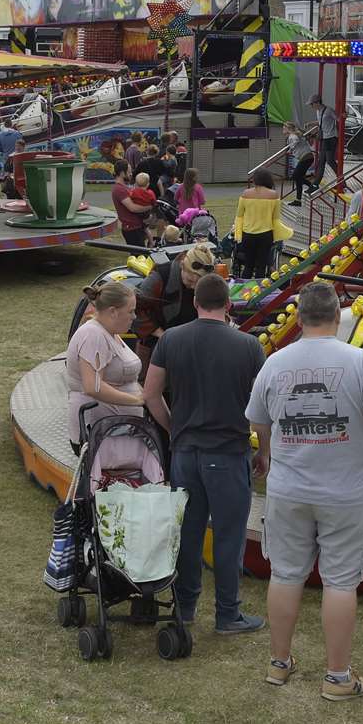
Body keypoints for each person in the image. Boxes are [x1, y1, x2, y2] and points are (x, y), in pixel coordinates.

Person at [246, 281, 363, 700]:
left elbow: (258, 421)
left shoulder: (275, 362)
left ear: (298, 318)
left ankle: (278, 664)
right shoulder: (360, 362)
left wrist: (266, 454)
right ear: (339, 317)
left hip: (288, 488)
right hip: (346, 491)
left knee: (284, 574)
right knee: (339, 583)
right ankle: (337, 678)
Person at [144, 272, 265, 635]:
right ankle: (228, 615)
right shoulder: (249, 346)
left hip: (185, 454)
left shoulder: (173, 340)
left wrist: (173, 429)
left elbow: (150, 394)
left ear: (195, 303)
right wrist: (266, 452)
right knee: (228, 537)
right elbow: (261, 409)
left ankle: (185, 608)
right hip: (228, 454)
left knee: (188, 533)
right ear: (229, 305)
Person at [63, 281, 143, 444]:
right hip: (99, 434)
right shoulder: (93, 335)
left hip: (114, 430)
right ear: (113, 311)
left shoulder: (109, 331)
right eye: (131, 311)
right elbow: (93, 386)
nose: (134, 317)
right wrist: (138, 400)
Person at [134, 242, 215, 353]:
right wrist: (161, 335)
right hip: (157, 345)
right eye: (190, 281)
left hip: (192, 344)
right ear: (182, 266)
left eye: (199, 283)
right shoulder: (160, 276)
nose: (194, 287)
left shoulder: (209, 282)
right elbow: (135, 307)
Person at [232, 169, 293, 280]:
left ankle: (245, 290)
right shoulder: (274, 195)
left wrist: (237, 234)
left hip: (248, 234)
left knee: (248, 265)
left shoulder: (246, 193)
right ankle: (260, 292)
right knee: (261, 266)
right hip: (266, 234)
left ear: (255, 180)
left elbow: (239, 216)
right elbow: (275, 219)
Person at [110, 160, 152, 247]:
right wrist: (149, 206)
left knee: (141, 256)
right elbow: (132, 207)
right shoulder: (119, 189)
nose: (131, 174)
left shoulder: (124, 187)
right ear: (122, 173)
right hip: (132, 229)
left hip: (137, 227)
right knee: (139, 257)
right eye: (129, 171)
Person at [309, 93, 339, 186]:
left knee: (330, 161)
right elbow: (321, 122)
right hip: (324, 138)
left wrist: (344, 116)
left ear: (317, 103)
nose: (311, 106)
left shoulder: (328, 110)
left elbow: (338, 119)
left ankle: (342, 180)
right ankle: (316, 183)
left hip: (331, 138)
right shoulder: (318, 111)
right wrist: (311, 124)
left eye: (312, 104)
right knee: (321, 161)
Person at [284, 122, 315, 207]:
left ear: (288, 128)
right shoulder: (294, 135)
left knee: (295, 176)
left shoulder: (292, 135)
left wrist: (291, 148)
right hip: (306, 157)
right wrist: (291, 149)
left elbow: (296, 140)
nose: (283, 130)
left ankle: (312, 185)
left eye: (284, 128)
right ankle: (298, 200)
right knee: (298, 178)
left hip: (306, 157)